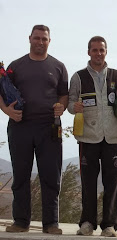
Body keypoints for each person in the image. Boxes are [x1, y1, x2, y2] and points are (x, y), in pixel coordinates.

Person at [0, 25, 68, 234]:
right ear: (29, 38)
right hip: (20, 127)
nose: (40, 42)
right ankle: (20, 221)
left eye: (44, 39)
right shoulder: (16, 66)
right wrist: (7, 111)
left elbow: (63, 95)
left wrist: (61, 106)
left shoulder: (58, 66)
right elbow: (2, 93)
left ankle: (51, 223)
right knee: (20, 175)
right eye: (36, 38)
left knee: (51, 175)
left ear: (49, 41)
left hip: (49, 128)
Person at [67, 36, 117, 237]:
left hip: (113, 138)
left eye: (101, 50)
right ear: (88, 52)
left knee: (112, 183)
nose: (98, 53)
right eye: (94, 50)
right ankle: (87, 223)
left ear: (106, 52)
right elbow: (70, 104)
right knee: (88, 183)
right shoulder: (78, 77)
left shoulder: (116, 76)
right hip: (88, 137)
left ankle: (109, 225)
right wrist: (74, 107)